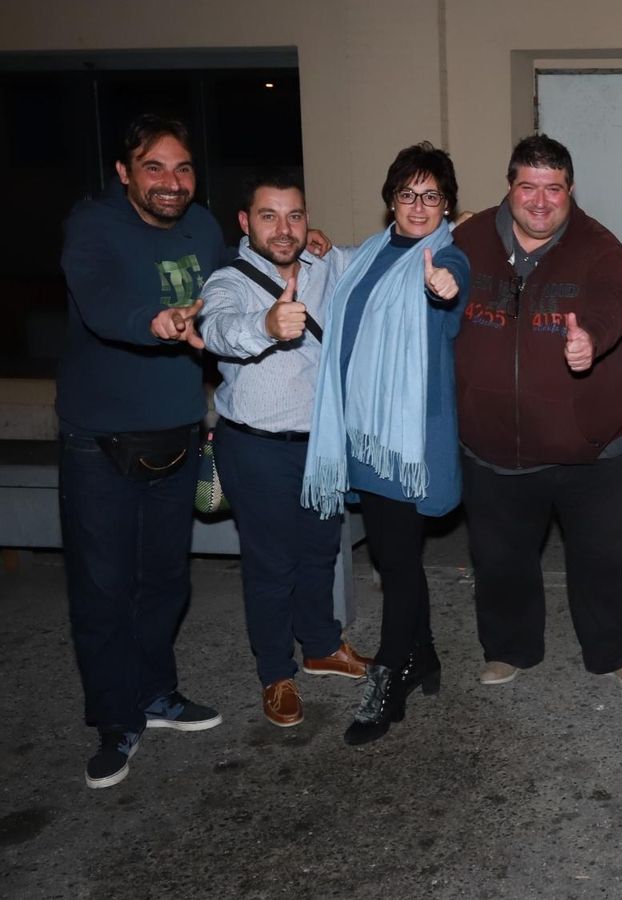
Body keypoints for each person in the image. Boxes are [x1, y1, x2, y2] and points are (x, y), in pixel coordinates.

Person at [58, 113, 227, 789]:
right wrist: (151, 321)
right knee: (104, 589)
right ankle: (115, 718)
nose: (171, 182)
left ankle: (157, 694)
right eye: (154, 167)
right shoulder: (94, 227)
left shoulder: (204, 227)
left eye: (182, 168)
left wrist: (298, 253)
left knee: (165, 581)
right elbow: (99, 303)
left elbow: (230, 286)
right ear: (125, 172)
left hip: (177, 431)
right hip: (99, 441)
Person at [452, 135, 622, 693]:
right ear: (510, 186)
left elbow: (618, 301)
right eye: (528, 187)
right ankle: (508, 649)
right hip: (494, 447)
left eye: (554, 189)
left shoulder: (599, 247)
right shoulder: (467, 240)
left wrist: (591, 337)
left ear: (570, 190)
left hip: (589, 448)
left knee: (605, 559)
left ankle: (614, 651)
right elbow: (409, 261)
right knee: (499, 560)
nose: (540, 202)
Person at [301, 142, 470, 746]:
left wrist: (445, 287)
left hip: (404, 442)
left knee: (396, 563)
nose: (419, 206)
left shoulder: (448, 256)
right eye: (408, 194)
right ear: (391, 201)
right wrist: (318, 242)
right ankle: (420, 654)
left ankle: (388, 677)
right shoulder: (371, 253)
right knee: (393, 560)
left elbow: (452, 291)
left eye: (431, 196)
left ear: (447, 202)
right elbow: (337, 264)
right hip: (363, 435)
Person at [199, 170, 371, 729]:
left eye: (294, 215)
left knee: (321, 550)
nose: (284, 227)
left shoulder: (327, 267)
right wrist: (268, 324)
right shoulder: (229, 281)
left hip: (320, 445)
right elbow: (219, 328)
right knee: (271, 566)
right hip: (256, 447)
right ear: (245, 222)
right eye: (269, 216)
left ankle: (321, 644)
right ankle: (276, 673)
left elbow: (384, 253)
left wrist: (457, 230)